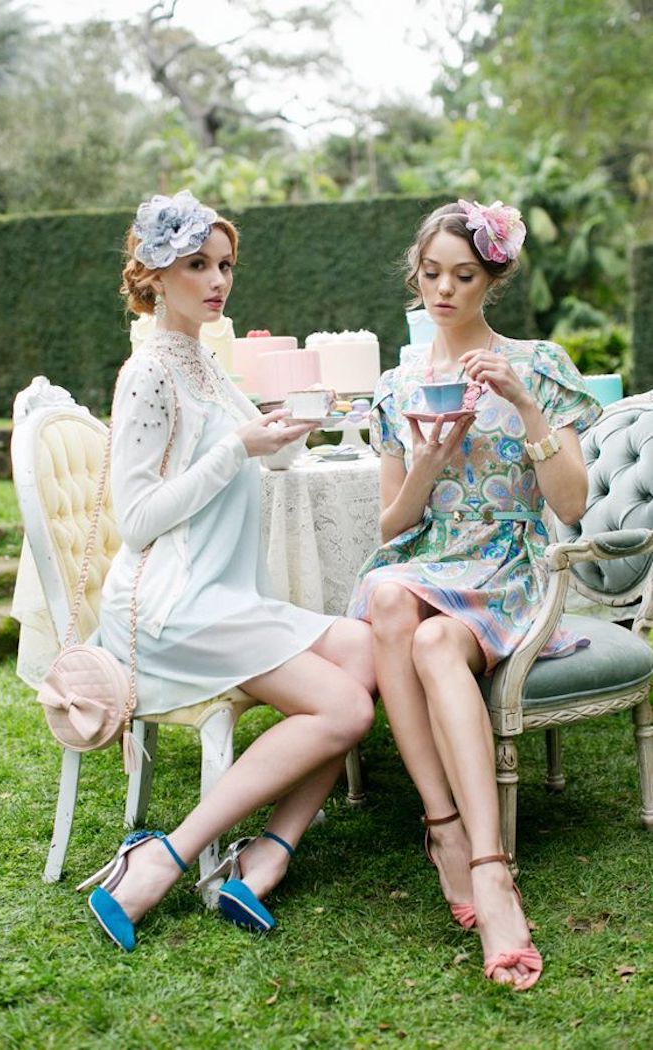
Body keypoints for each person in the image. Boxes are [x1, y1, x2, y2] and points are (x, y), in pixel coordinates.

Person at [80, 189, 376, 951]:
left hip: (223, 595)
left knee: (365, 652)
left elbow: (262, 453)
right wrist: (236, 450)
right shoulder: (149, 372)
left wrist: (290, 428)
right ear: (153, 274)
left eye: (224, 265)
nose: (217, 280)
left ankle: (261, 855)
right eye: (196, 265)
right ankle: (169, 856)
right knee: (345, 710)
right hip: (167, 607)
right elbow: (137, 519)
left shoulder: (206, 364)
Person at [347, 199, 601, 990]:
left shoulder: (539, 364)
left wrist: (524, 404)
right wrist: (428, 458)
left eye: (464, 275)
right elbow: (393, 526)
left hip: (507, 566)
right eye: (431, 275)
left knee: (426, 638)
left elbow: (571, 506)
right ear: (415, 277)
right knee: (391, 597)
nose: (444, 291)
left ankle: (487, 868)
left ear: (492, 277)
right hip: (429, 561)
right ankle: (447, 830)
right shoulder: (397, 387)